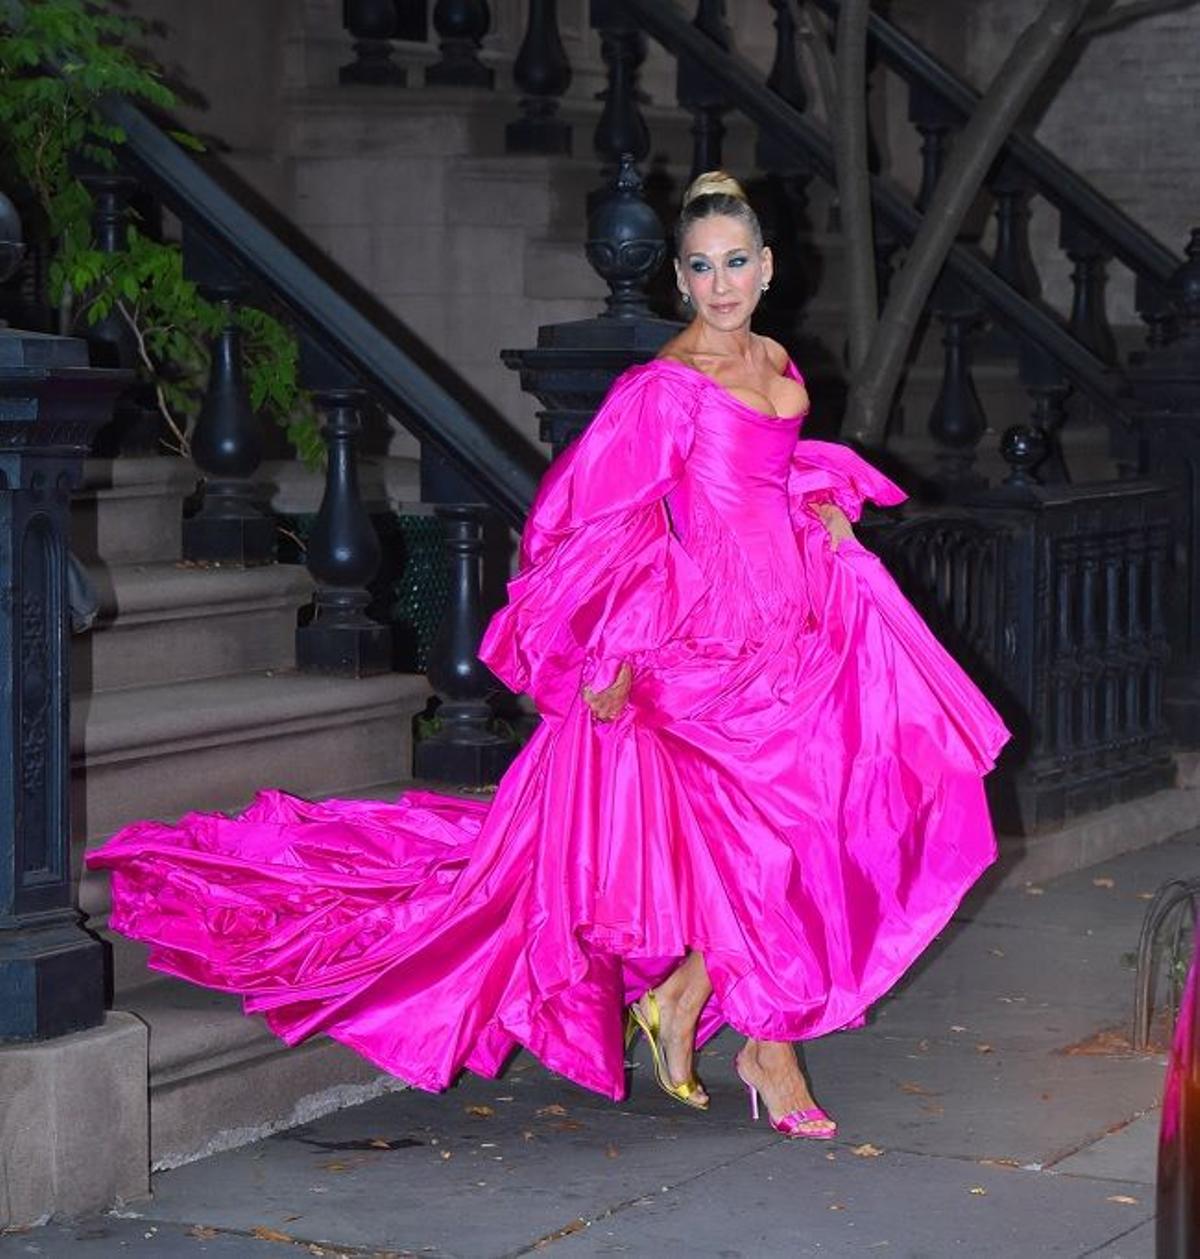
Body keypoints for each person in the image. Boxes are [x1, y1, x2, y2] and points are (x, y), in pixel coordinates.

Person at [88, 171, 1009, 1141]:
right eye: (701, 267)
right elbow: (588, 517)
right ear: (681, 282)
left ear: (767, 267)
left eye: (736, 262)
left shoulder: (778, 358)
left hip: (794, 626)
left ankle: (683, 999)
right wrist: (610, 646)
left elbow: (766, 476)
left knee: (818, 819)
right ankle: (767, 1046)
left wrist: (817, 506)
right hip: (702, 645)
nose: (721, 282)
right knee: (756, 842)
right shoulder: (666, 385)